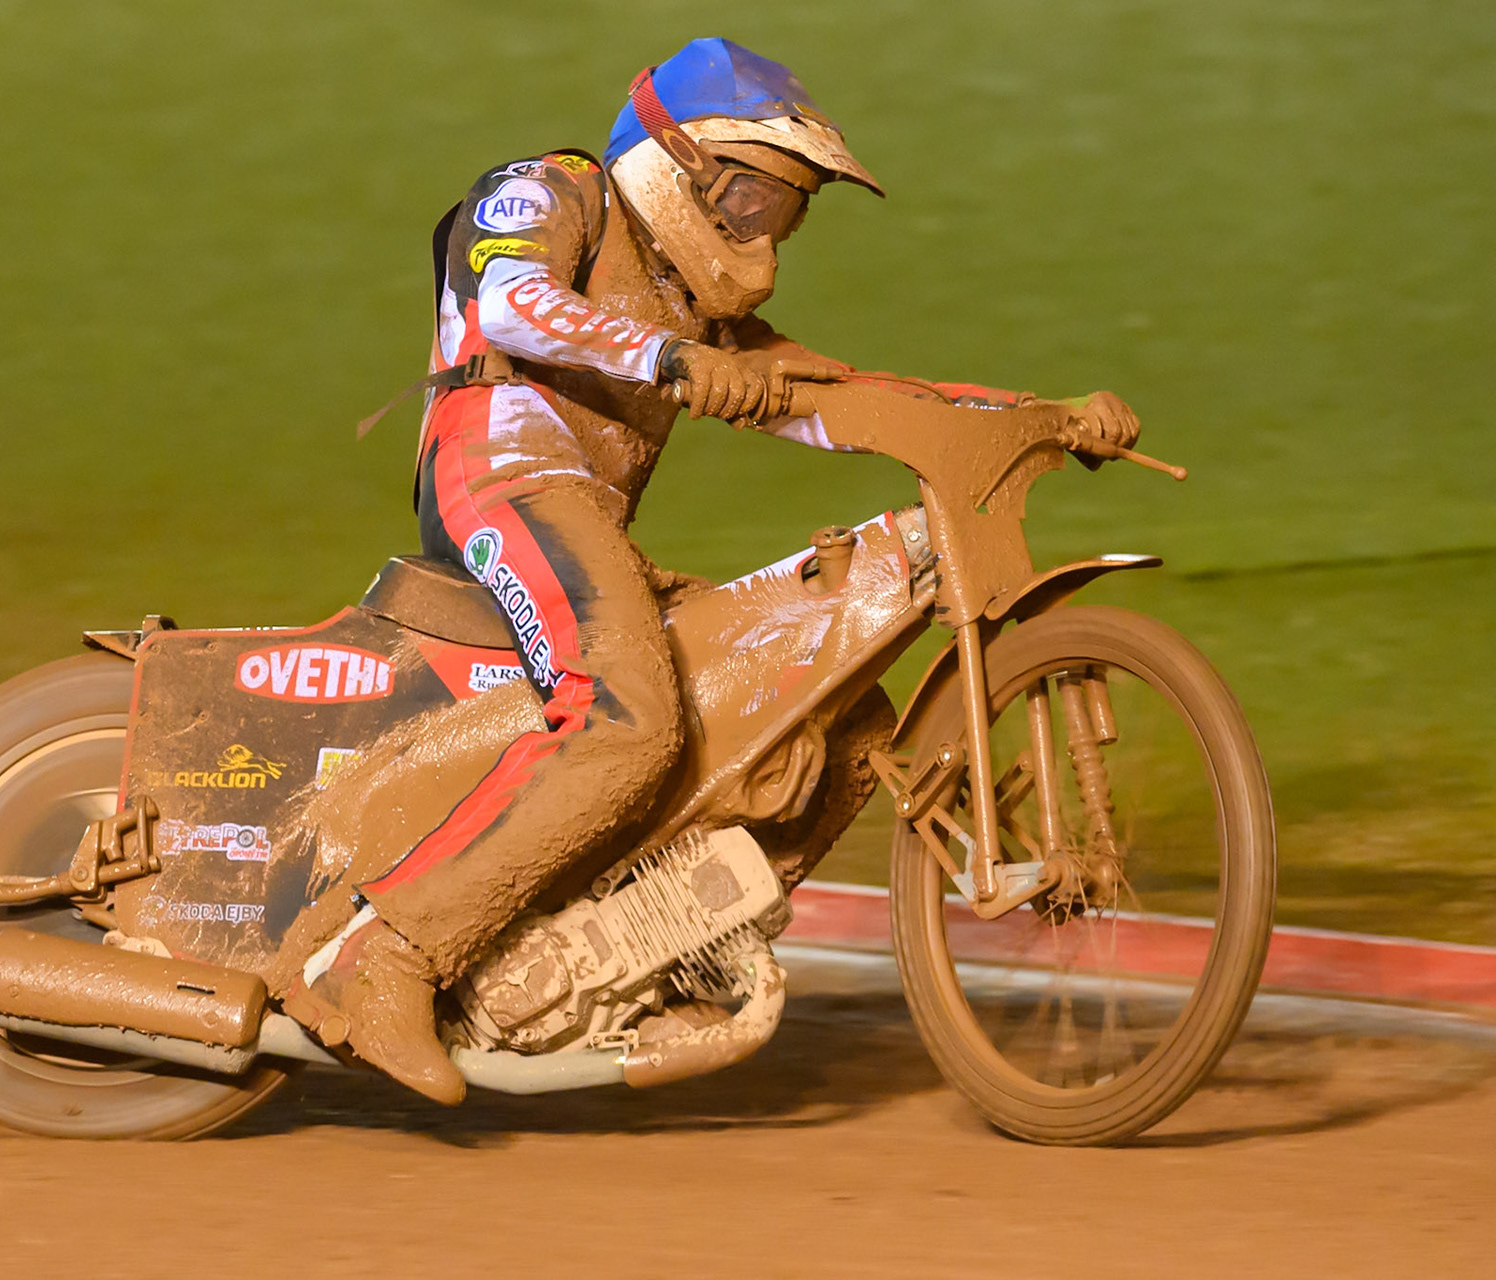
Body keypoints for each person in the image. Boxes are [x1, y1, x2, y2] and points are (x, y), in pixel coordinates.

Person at [284, 37, 1141, 1104]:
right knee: (631, 709)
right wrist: (673, 361)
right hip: (496, 471)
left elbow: (853, 394)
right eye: (753, 199)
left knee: (839, 712)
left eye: (784, 212)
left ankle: (662, 953)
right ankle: (387, 955)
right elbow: (509, 304)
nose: (763, 231)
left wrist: (1043, 417)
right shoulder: (553, 192)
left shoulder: (703, 314)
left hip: (585, 516)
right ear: (680, 164)